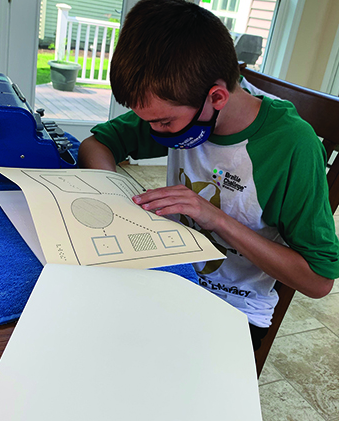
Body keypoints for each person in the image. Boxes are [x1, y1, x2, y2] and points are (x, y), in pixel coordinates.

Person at [78, 0, 339, 351]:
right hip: (166, 274)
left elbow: (318, 280)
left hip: (233, 309)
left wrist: (214, 217)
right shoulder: (181, 99)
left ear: (216, 96)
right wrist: (115, 196)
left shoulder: (291, 146)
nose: (154, 130)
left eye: (164, 122)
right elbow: (97, 144)